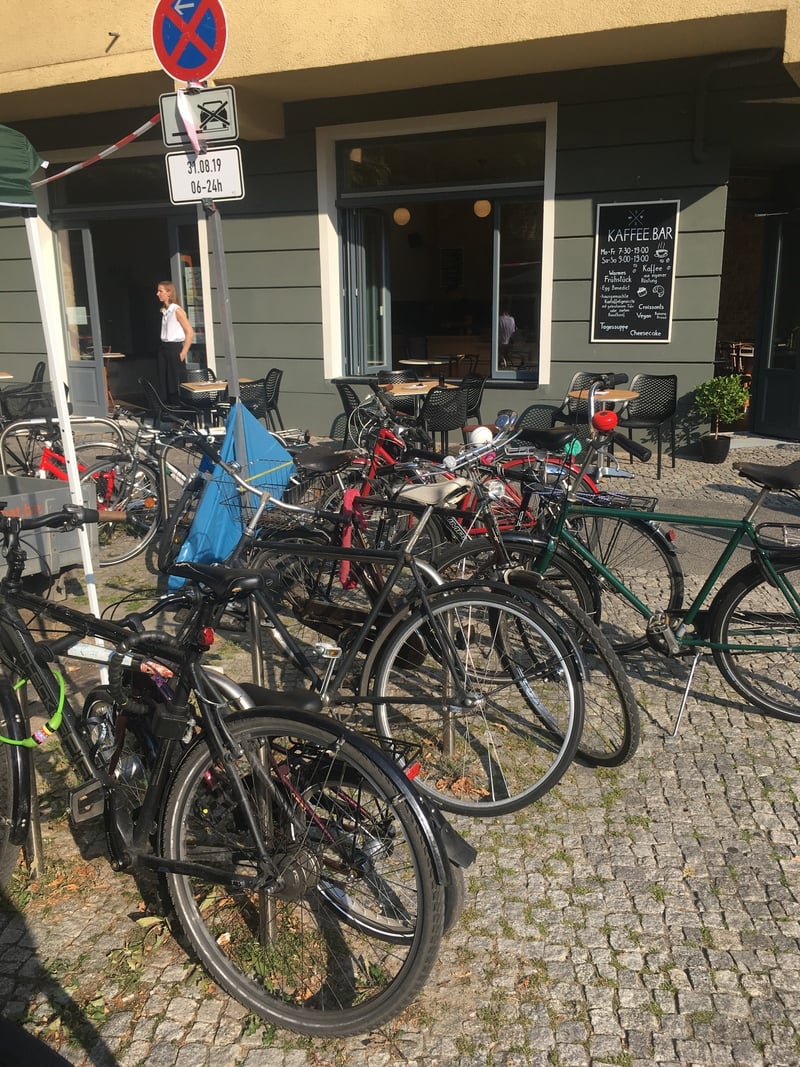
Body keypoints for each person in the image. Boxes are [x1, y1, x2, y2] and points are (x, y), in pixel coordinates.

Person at [156, 280, 194, 405]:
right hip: (164, 348)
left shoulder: (176, 310)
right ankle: (166, 410)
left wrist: (183, 352)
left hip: (174, 348)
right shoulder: (165, 311)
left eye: (160, 291)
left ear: (169, 293)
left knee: (174, 382)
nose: (157, 294)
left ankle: (178, 412)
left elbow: (190, 331)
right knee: (163, 381)